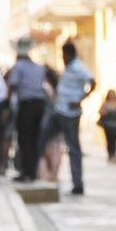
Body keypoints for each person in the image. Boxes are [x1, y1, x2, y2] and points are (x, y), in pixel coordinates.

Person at [40, 41, 95, 195]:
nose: (62, 57)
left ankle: (78, 184)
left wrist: (80, 99)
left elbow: (92, 82)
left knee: (73, 148)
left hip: (71, 114)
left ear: (69, 54)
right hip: (59, 110)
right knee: (42, 137)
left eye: (63, 55)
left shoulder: (78, 68)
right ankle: (37, 173)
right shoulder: (68, 68)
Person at [8, 36, 48, 182]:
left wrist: (7, 107)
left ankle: (27, 172)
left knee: (25, 139)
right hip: (39, 105)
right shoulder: (39, 67)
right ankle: (32, 172)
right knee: (34, 139)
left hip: (27, 106)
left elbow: (12, 86)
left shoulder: (18, 66)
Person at [97, 90, 116, 162]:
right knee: (109, 140)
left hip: (115, 125)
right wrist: (105, 112)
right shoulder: (105, 103)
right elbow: (100, 112)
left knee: (114, 140)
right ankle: (110, 154)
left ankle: (114, 154)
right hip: (108, 125)